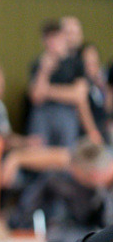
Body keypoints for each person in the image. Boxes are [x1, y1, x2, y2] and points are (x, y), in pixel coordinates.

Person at [2, 140, 113, 242]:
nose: (76, 179)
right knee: (52, 178)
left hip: (103, 237)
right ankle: (13, 223)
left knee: (60, 238)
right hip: (93, 219)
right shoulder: (99, 160)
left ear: (94, 175)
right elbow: (59, 157)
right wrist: (16, 158)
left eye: (80, 178)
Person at [27, 20, 100, 148]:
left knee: (67, 151)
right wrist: (44, 71)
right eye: (48, 39)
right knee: (38, 145)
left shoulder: (75, 63)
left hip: (67, 113)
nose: (53, 42)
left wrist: (47, 91)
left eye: (56, 37)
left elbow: (78, 96)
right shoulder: (39, 64)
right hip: (43, 114)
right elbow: (36, 97)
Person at [81, 43, 111, 145]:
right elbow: (82, 109)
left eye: (94, 62)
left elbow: (107, 107)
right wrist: (93, 133)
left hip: (105, 129)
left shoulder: (101, 82)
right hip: (88, 135)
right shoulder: (82, 83)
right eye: (88, 63)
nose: (91, 66)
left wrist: (105, 87)